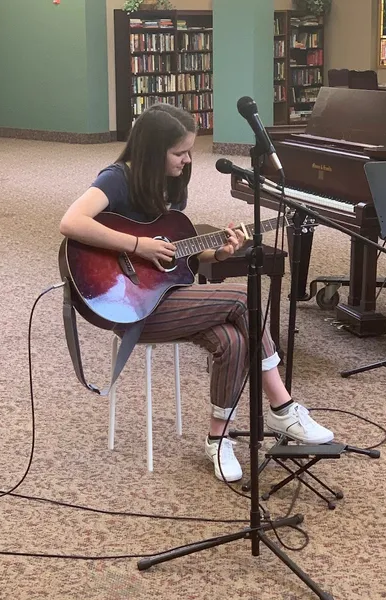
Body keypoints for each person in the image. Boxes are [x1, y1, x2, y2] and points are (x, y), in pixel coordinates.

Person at [59, 104, 333, 483]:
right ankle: (283, 408)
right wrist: (137, 245)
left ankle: (218, 440)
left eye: (189, 151)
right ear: (153, 150)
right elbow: (70, 222)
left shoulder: (171, 185)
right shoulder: (117, 178)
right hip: (128, 307)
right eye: (180, 152)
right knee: (240, 298)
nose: (188, 160)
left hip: (167, 298)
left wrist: (219, 252)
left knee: (234, 340)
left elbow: (178, 253)